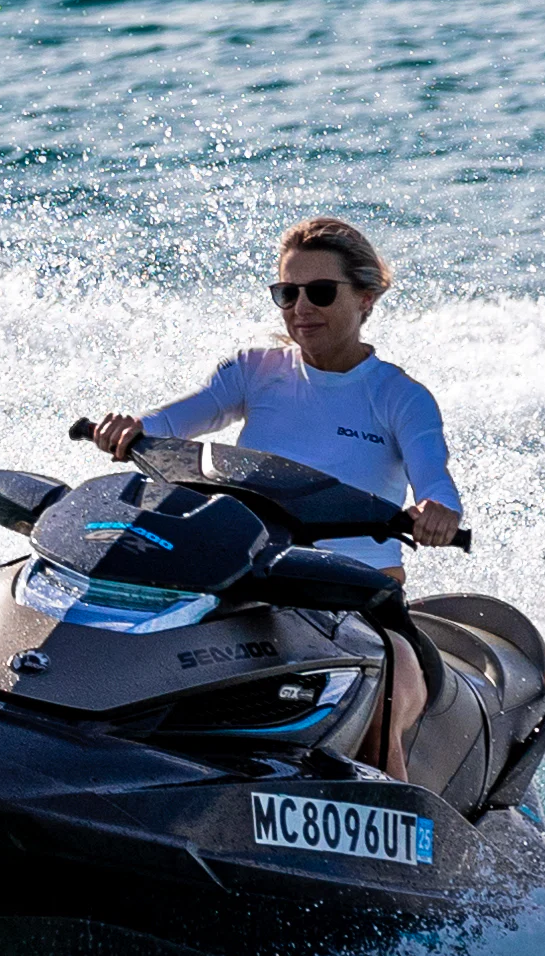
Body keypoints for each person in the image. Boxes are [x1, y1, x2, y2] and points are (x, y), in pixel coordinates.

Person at [71, 216, 464, 782]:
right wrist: (133, 428)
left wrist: (437, 511)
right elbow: (175, 421)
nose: (300, 307)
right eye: (287, 292)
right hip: (250, 584)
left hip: (358, 602)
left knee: (382, 706)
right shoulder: (254, 371)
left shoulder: (401, 397)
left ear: (367, 298)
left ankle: (396, 830)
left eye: (320, 292)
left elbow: (435, 481)